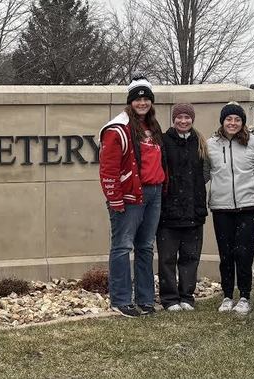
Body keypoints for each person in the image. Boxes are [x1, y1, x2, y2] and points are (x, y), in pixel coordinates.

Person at [98, 75, 165, 318]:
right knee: (122, 247)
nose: (142, 103)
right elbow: (108, 169)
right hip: (129, 196)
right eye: (137, 99)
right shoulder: (117, 130)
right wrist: (114, 198)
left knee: (145, 247)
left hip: (154, 193)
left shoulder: (153, 127)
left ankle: (145, 299)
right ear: (130, 102)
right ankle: (121, 300)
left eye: (146, 98)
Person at [207, 102, 254, 315]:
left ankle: (245, 296)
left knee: (244, 253)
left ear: (243, 122)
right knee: (226, 254)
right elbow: (206, 172)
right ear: (222, 121)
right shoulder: (211, 144)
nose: (233, 123)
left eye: (237, 119)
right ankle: (228, 295)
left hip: (248, 205)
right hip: (221, 206)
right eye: (229, 119)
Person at [157, 103, 210, 312]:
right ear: (174, 119)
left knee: (190, 257)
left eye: (187, 117)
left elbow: (206, 172)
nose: (183, 121)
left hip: (194, 210)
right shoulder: (163, 140)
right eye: (179, 117)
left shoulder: (200, 142)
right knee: (167, 258)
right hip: (168, 211)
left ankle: (187, 296)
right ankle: (170, 298)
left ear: (192, 119)